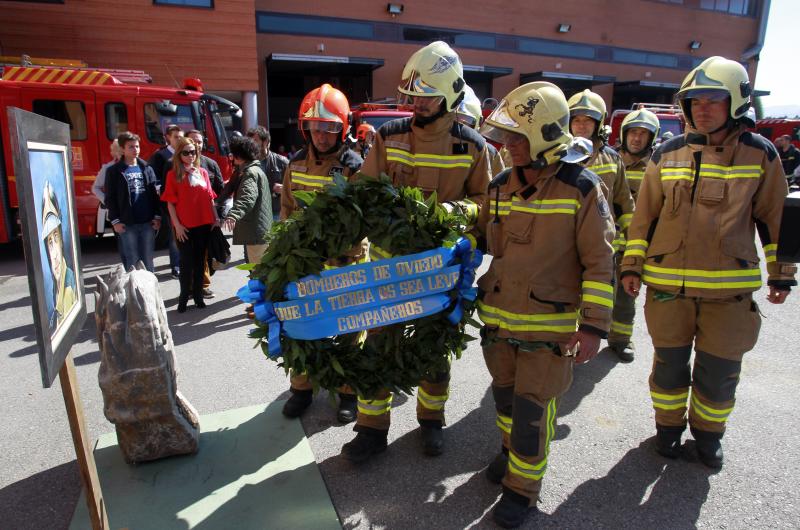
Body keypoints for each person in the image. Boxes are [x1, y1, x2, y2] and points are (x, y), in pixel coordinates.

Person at [620, 56, 797, 469]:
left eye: (712, 99)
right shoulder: (666, 153)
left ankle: (707, 436)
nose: (701, 108)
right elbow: (643, 216)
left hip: (727, 294)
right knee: (668, 370)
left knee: (718, 376)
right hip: (667, 290)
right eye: (693, 100)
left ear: (736, 101)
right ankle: (666, 430)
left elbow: (775, 220)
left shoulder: (761, 155)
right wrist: (632, 266)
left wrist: (781, 276)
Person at [473, 81, 615, 527]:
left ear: (544, 136)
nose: (509, 146)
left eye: (518, 138)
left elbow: (599, 261)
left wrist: (593, 326)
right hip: (499, 322)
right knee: (505, 401)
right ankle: (509, 454)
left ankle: (522, 490)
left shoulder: (582, 189)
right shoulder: (499, 185)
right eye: (507, 137)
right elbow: (484, 241)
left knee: (533, 410)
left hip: (548, 330)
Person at [343, 41, 491, 463]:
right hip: (388, 269)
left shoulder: (474, 146)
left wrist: (454, 211)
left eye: (427, 94)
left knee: (433, 348)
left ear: (449, 94)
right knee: (378, 347)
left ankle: (431, 421)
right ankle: (371, 429)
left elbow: (486, 204)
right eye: (413, 95)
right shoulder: (389, 136)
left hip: (439, 272)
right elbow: (364, 195)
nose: (417, 103)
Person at [279, 83, 363, 424]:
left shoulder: (353, 167)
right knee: (302, 325)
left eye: (329, 127)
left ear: (342, 127)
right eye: (315, 127)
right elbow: (286, 209)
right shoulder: (295, 164)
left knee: (348, 330)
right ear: (305, 128)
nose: (322, 135)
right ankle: (301, 389)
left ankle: (347, 393)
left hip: (344, 265)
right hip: (305, 265)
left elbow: (361, 221)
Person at [568, 89, 636, 362]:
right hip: (567, 242)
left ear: (599, 124)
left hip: (605, 245)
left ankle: (619, 340)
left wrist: (631, 244)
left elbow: (624, 203)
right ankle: (569, 342)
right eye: (577, 119)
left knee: (613, 296)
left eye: (588, 120)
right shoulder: (556, 156)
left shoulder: (612, 159)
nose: (582, 125)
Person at [605, 109, 661, 363]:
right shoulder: (609, 159)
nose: (637, 139)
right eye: (633, 133)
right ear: (624, 134)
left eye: (643, 134)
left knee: (626, 296)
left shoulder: (657, 166)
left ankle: (620, 339)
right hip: (603, 241)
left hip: (634, 245)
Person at [162, 137, 218, 313]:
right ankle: (184, 297)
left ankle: (199, 297)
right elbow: (170, 203)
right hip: (184, 226)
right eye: (186, 152)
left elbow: (210, 197)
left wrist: (216, 218)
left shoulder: (201, 172)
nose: (190, 156)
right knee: (186, 263)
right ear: (179, 154)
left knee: (201, 262)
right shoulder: (173, 175)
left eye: (193, 152)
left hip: (204, 223)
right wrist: (177, 225)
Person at [105, 132, 162, 272]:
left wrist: (157, 216)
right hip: (127, 223)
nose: (135, 149)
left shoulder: (147, 168)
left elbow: (155, 196)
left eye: (137, 146)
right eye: (131, 147)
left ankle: (150, 291)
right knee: (132, 259)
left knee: (148, 259)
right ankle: (133, 292)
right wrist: (115, 221)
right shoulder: (113, 171)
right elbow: (110, 198)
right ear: (122, 149)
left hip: (147, 222)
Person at [222, 136, 272, 266]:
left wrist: (233, 215)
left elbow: (247, 197)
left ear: (238, 156)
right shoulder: (249, 169)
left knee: (258, 273)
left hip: (255, 233)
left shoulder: (250, 173)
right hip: (257, 231)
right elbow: (231, 186)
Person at [186, 129, 223, 299]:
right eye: (194, 141)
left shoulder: (210, 164)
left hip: (207, 218)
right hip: (185, 220)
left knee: (206, 254)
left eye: (200, 141)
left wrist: (218, 216)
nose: (197, 145)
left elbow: (219, 191)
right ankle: (192, 286)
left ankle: (202, 285)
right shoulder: (176, 166)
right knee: (189, 255)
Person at [147, 124, 184, 278]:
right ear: (168, 137)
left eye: (181, 136)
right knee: (174, 234)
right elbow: (154, 179)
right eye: (176, 137)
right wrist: (163, 190)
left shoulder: (185, 154)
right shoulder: (160, 156)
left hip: (185, 203)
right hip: (168, 203)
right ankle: (176, 266)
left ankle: (184, 262)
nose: (179, 139)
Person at [41, 181, 78, 333]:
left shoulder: (68, 286)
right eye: (49, 242)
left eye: (56, 237)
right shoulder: (56, 290)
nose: (55, 254)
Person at [455, 84, 505, 177]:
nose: (459, 126)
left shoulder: (489, 153)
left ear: (478, 122)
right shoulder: (430, 144)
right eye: (454, 120)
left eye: (466, 121)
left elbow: (499, 188)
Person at [247, 125, 288, 221]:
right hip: (254, 213)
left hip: (276, 213)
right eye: (250, 141)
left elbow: (297, 186)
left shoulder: (282, 161)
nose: (252, 144)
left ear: (265, 142)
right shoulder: (246, 163)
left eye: (255, 140)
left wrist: (284, 189)